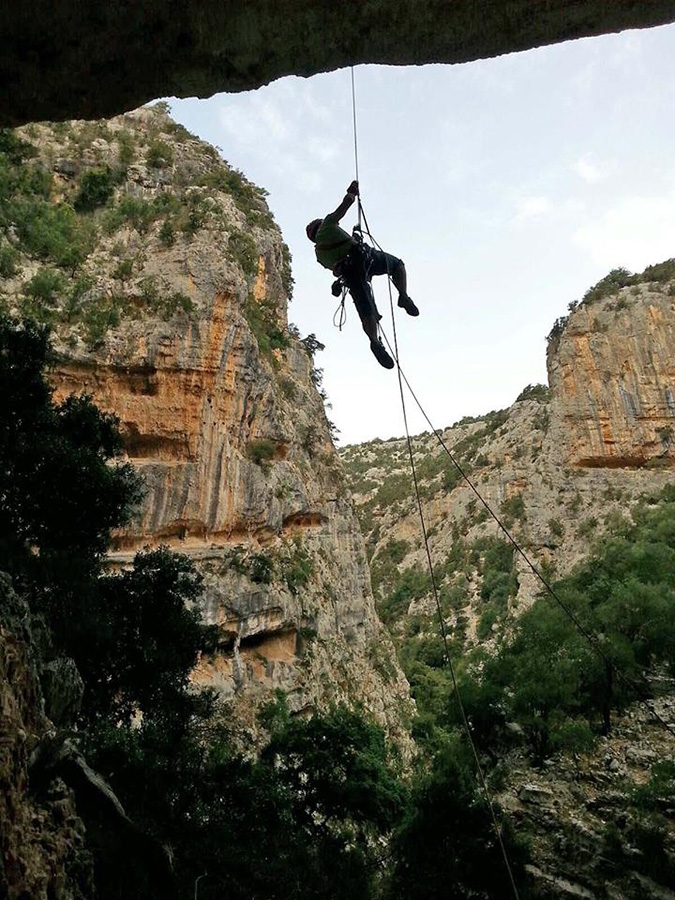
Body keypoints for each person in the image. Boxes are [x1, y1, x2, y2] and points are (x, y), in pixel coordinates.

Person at [306, 181, 419, 369]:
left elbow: (335, 267)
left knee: (367, 311)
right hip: (367, 259)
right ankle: (403, 296)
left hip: (352, 276)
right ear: (320, 225)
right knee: (398, 265)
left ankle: (374, 340)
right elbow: (343, 207)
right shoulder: (327, 225)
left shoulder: (319, 255)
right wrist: (352, 192)